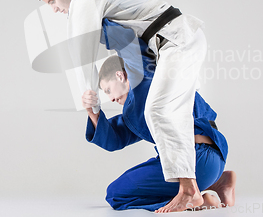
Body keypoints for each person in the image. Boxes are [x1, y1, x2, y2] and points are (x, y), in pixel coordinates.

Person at [36, 0, 209, 212]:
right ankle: (211, 182)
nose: (54, 9)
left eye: (52, 1)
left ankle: (189, 190)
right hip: (178, 40)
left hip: (177, 41)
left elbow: (79, 47)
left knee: (158, 110)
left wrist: (88, 93)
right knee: (167, 110)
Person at [83, 20, 235, 211]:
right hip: (212, 158)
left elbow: (128, 45)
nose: (111, 98)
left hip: (195, 158)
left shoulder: (149, 79)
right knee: (125, 186)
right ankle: (219, 181)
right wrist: (93, 113)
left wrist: (94, 21)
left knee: (116, 194)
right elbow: (116, 138)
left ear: (121, 76)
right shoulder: (137, 110)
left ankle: (196, 200)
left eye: (107, 90)